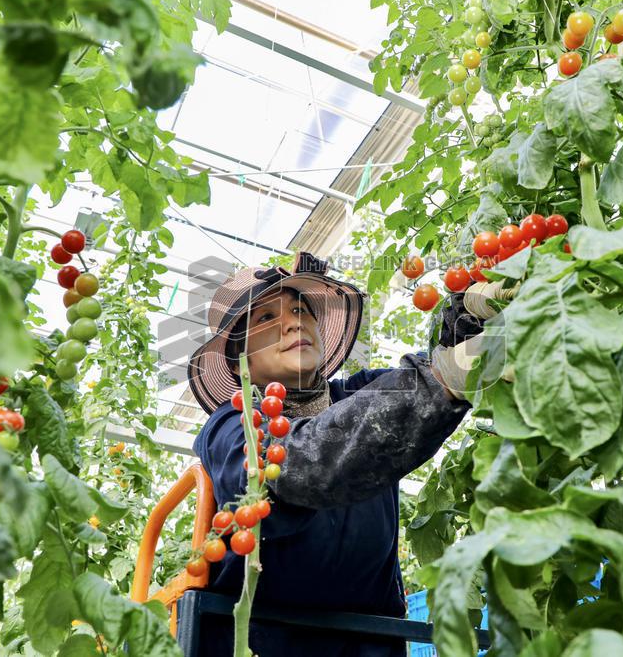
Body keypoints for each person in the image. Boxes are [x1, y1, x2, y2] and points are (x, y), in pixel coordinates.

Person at [187, 251, 487, 656]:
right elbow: (298, 466)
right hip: (265, 643)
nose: (293, 322)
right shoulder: (231, 425)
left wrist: (474, 311)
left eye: (300, 310)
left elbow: (432, 375)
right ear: (242, 357)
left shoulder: (361, 393)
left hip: (371, 642)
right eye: (266, 318)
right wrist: (442, 380)